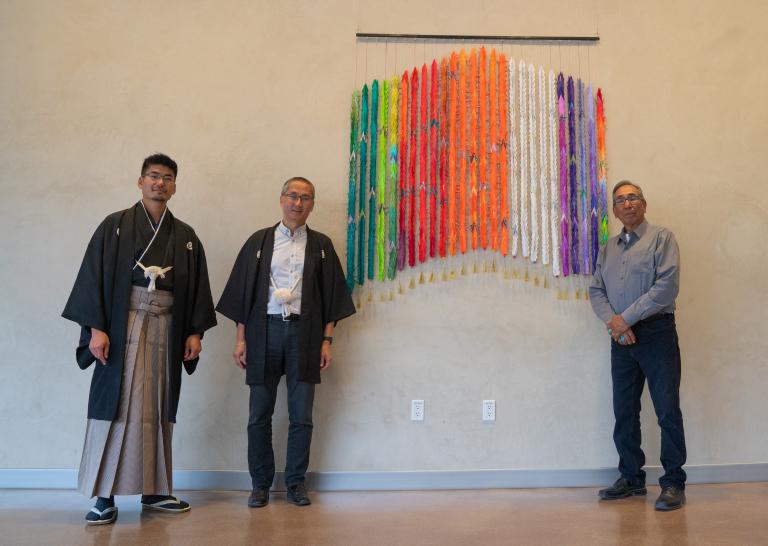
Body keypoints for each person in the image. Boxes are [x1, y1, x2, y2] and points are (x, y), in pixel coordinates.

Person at [62, 153, 217, 525]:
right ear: (140, 181)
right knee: (116, 405)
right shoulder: (114, 226)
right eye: (152, 176)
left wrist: (194, 331)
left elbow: (196, 288)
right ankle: (104, 495)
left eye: (166, 177)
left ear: (175, 185)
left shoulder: (185, 237)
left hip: (166, 325)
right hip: (122, 325)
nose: (159, 183)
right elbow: (93, 277)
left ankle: (156, 490)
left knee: (157, 405)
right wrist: (96, 328)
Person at [217, 177, 355, 508]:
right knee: (258, 414)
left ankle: (295, 482)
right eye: (292, 196)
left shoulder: (321, 245)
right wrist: (240, 340)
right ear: (281, 199)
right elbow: (243, 294)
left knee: (301, 415)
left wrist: (326, 340)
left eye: (305, 198)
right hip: (262, 333)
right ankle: (260, 483)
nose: (298, 203)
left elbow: (333, 296)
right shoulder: (259, 242)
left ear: (312, 204)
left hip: (305, 335)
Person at [589, 180, 687, 511]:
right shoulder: (609, 247)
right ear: (615, 210)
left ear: (643, 204)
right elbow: (596, 290)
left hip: (656, 333)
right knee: (625, 411)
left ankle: (673, 482)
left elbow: (666, 288)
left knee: (667, 410)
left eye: (633, 197)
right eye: (620, 200)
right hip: (621, 339)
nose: (627, 204)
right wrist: (616, 325)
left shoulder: (662, 238)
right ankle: (631, 478)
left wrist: (624, 319)